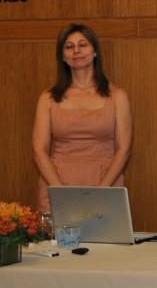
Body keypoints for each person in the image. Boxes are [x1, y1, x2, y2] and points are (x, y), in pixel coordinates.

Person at [32, 24, 133, 212]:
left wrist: (99, 193)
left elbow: (124, 149)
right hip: (56, 186)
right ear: (62, 56)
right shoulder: (47, 98)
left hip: (106, 186)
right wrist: (61, 193)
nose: (76, 50)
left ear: (95, 52)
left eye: (82, 44)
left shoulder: (118, 96)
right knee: (55, 243)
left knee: (104, 241)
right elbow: (39, 150)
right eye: (69, 46)